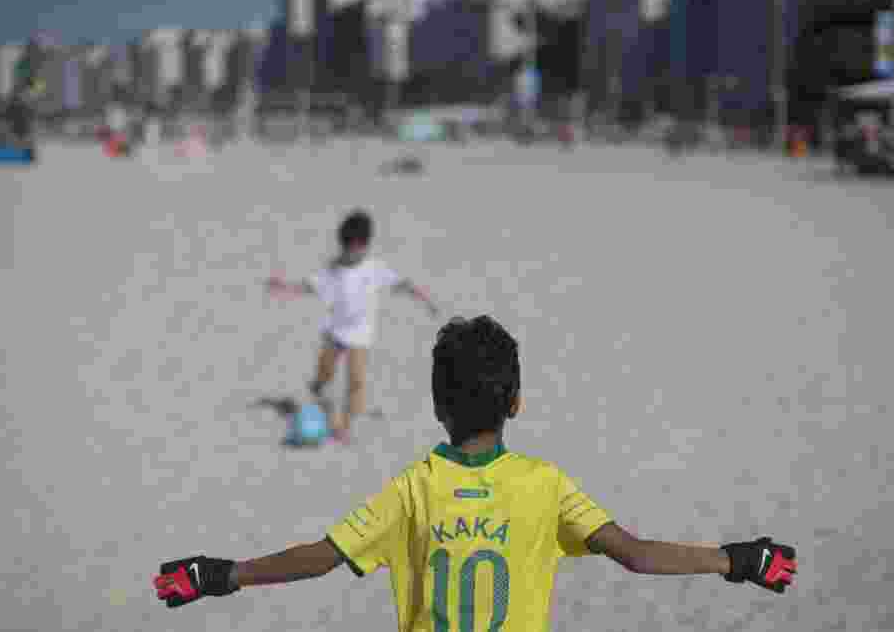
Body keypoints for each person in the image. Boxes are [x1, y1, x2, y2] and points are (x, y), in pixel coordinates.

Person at [154, 315, 799, 626]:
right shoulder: (546, 485)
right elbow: (636, 555)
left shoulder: (413, 489)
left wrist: (224, 575)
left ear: (437, 405)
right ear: (516, 401)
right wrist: (736, 560)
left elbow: (321, 557)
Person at [266, 210, 439, 443]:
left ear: (366, 245)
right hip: (335, 333)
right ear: (342, 245)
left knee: (356, 382)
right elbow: (310, 286)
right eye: (348, 247)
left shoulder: (375, 268)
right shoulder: (333, 269)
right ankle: (319, 388)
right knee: (324, 376)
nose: (353, 252)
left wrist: (425, 299)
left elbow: (403, 284)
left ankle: (342, 427)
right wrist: (284, 287)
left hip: (361, 337)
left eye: (358, 247)